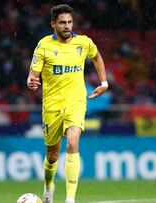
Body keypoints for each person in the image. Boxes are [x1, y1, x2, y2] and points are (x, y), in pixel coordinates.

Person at [26, 4, 108, 203]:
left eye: (69, 22)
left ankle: (70, 199)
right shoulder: (44, 46)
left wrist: (104, 82)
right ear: (53, 24)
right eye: (62, 22)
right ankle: (48, 187)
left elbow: (97, 57)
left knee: (72, 143)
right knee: (52, 155)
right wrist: (31, 82)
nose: (67, 26)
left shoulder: (84, 43)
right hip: (52, 105)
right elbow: (32, 76)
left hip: (76, 102)